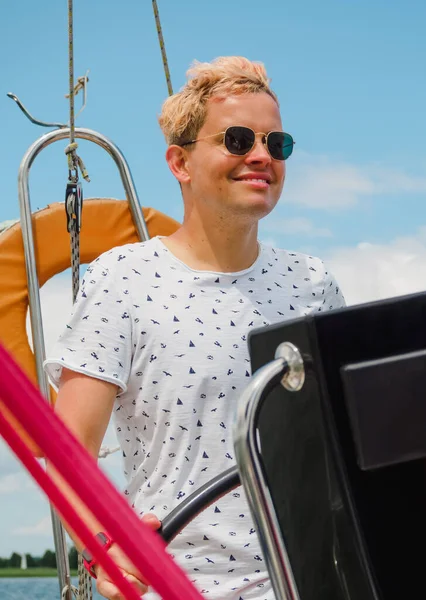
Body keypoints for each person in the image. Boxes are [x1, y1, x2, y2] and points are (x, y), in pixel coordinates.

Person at [44, 56, 346, 600]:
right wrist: (100, 548)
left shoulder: (312, 283)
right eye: (236, 140)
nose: (260, 156)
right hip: (173, 586)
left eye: (277, 145)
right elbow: (67, 452)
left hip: (305, 585)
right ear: (179, 163)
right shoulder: (124, 279)